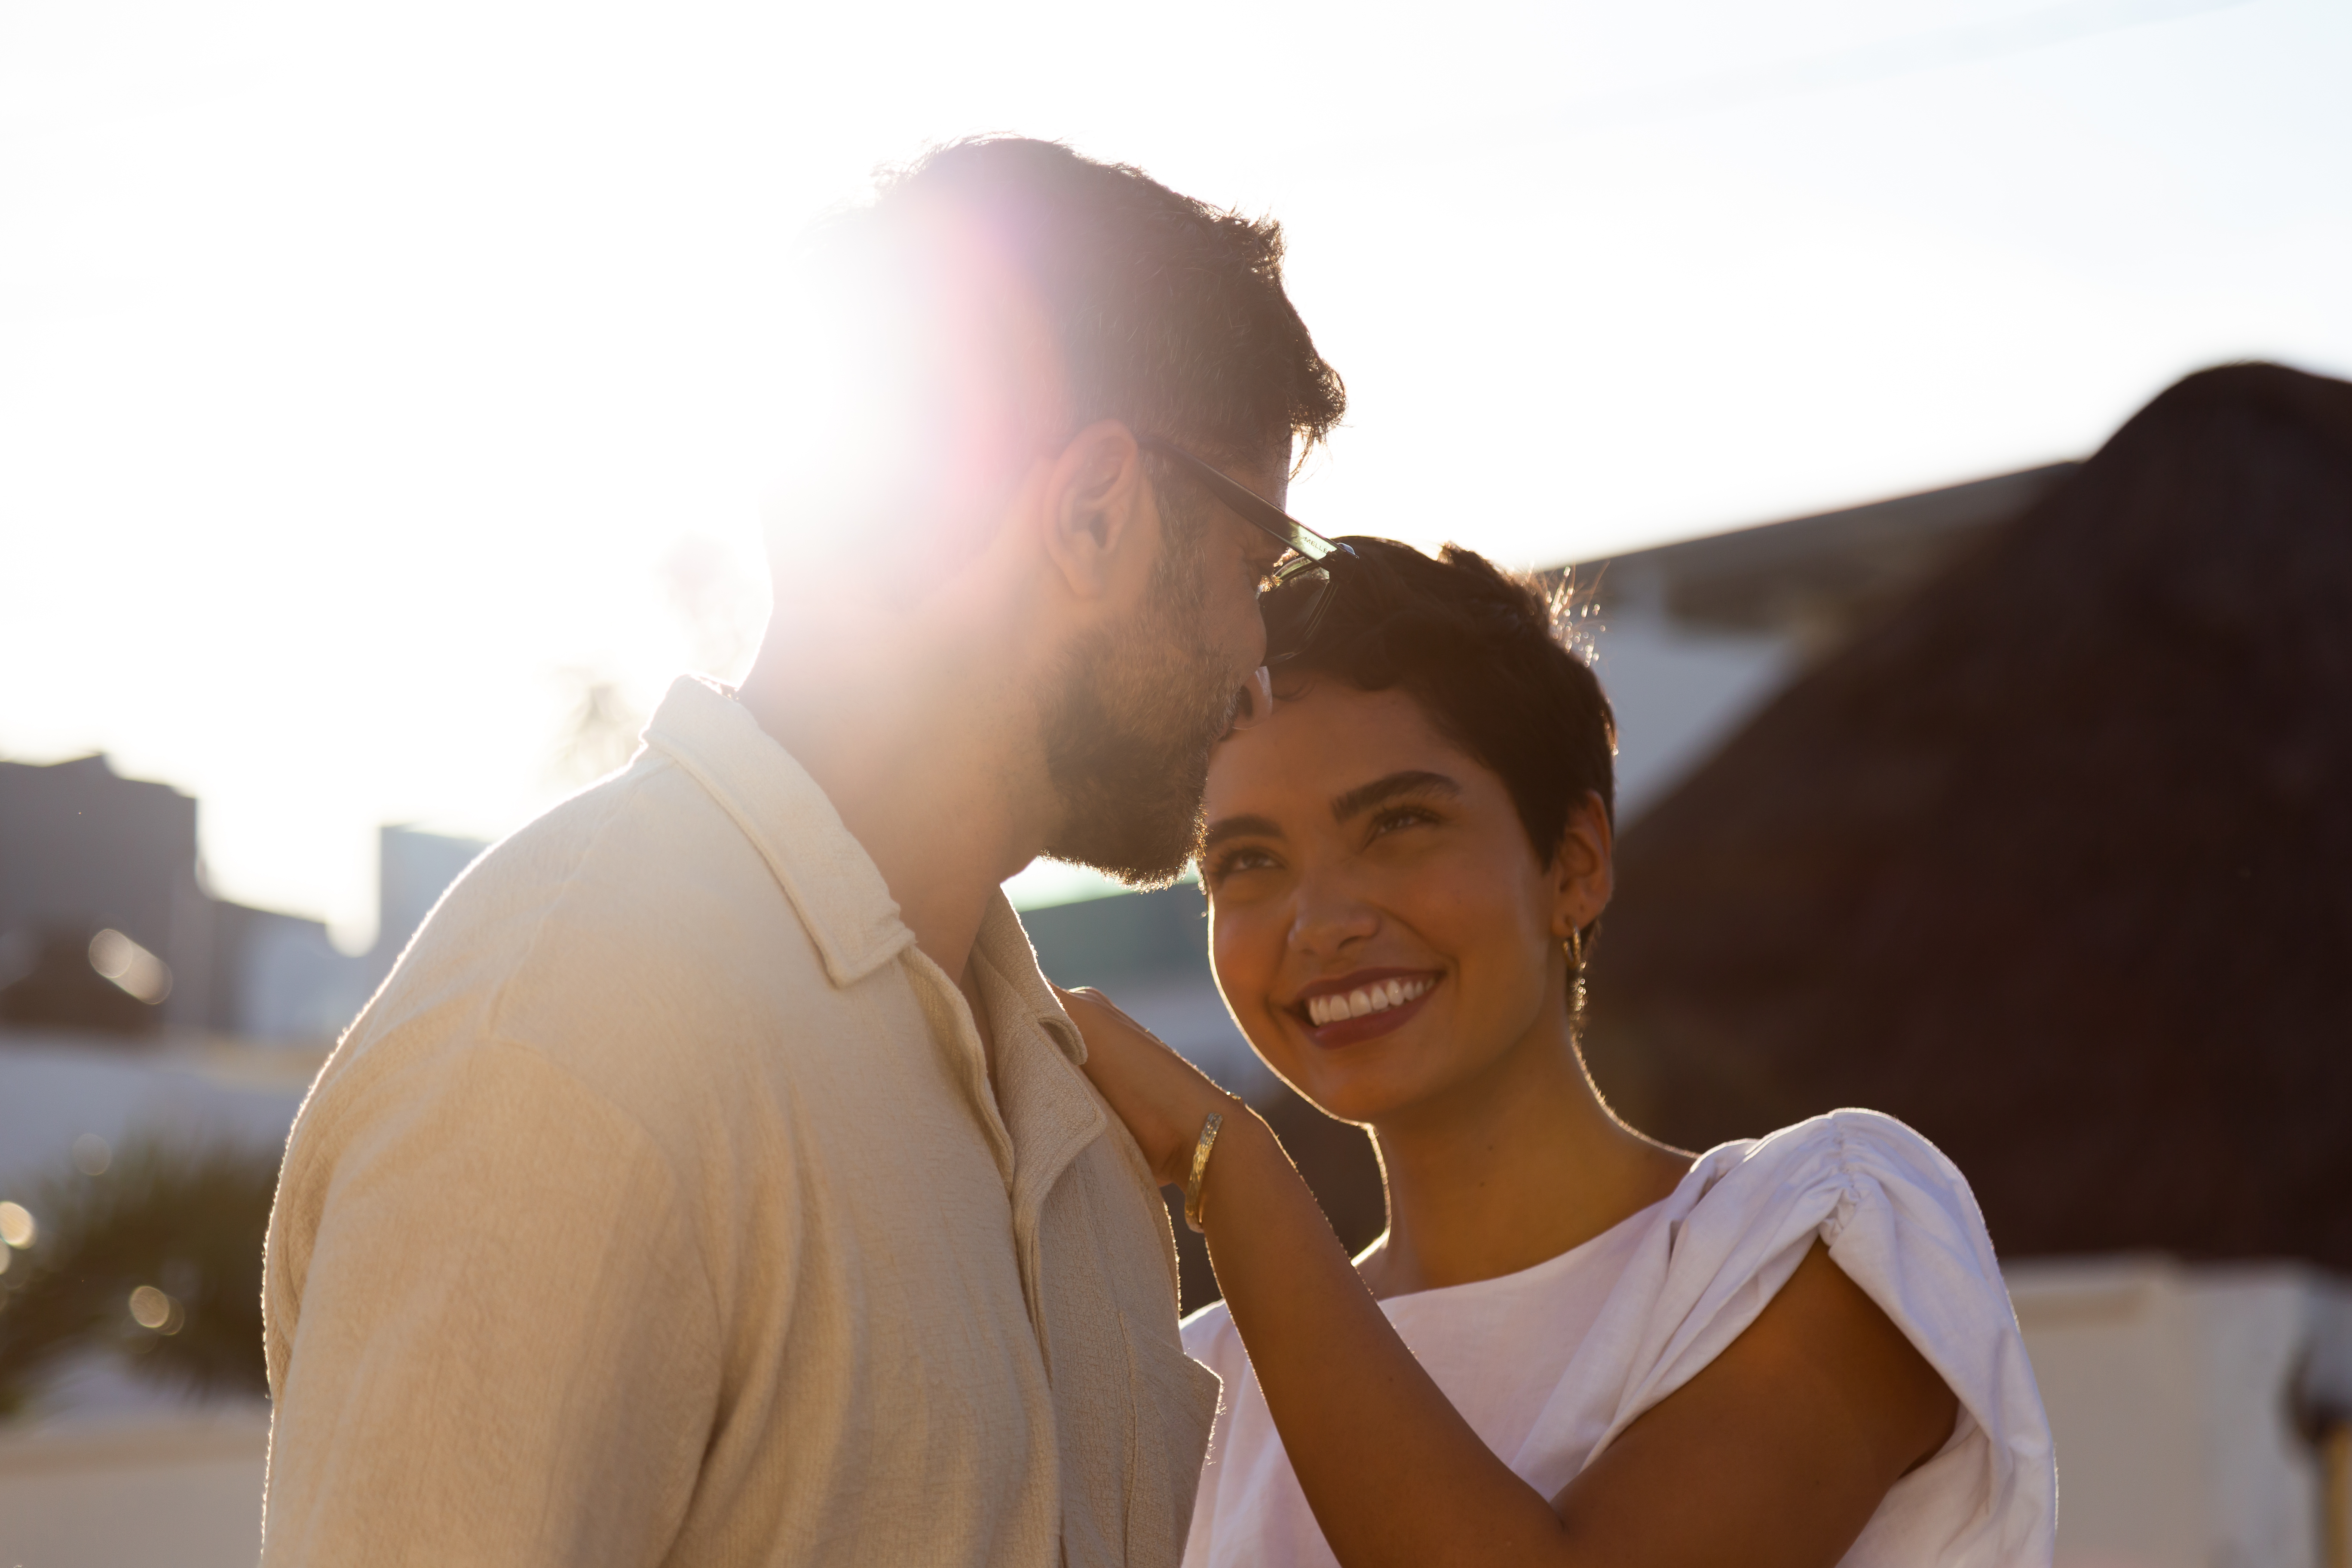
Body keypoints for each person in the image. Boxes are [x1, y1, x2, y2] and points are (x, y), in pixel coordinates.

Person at [259, 138, 1344, 1567]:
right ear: (1093, 514)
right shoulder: (564, 1040)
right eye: (1261, 565)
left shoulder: (1071, 1133)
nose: (1260, 661)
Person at [1059, 539, 2057, 1568]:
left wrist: (1232, 1168)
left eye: (1399, 824)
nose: (1320, 924)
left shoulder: (1819, 1242)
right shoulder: (1202, 1387)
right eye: (1249, 862)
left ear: (1574, 865)